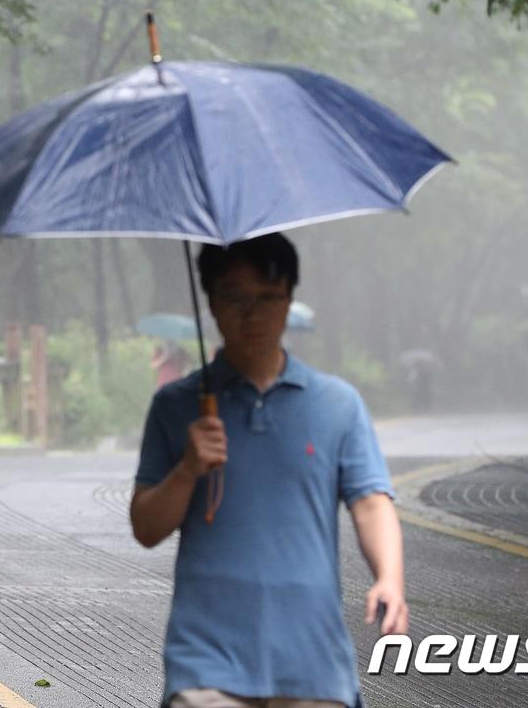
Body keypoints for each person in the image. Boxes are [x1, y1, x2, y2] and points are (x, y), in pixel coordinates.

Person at [131, 233, 408, 708]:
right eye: (235, 297)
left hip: (314, 667)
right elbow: (145, 527)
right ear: (212, 304)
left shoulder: (337, 404)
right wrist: (188, 469)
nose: (252, 312)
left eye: (267, 297)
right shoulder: (176, 407)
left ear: (289, 301)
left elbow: (370, 502)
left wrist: (390, 576)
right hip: (206, 666)